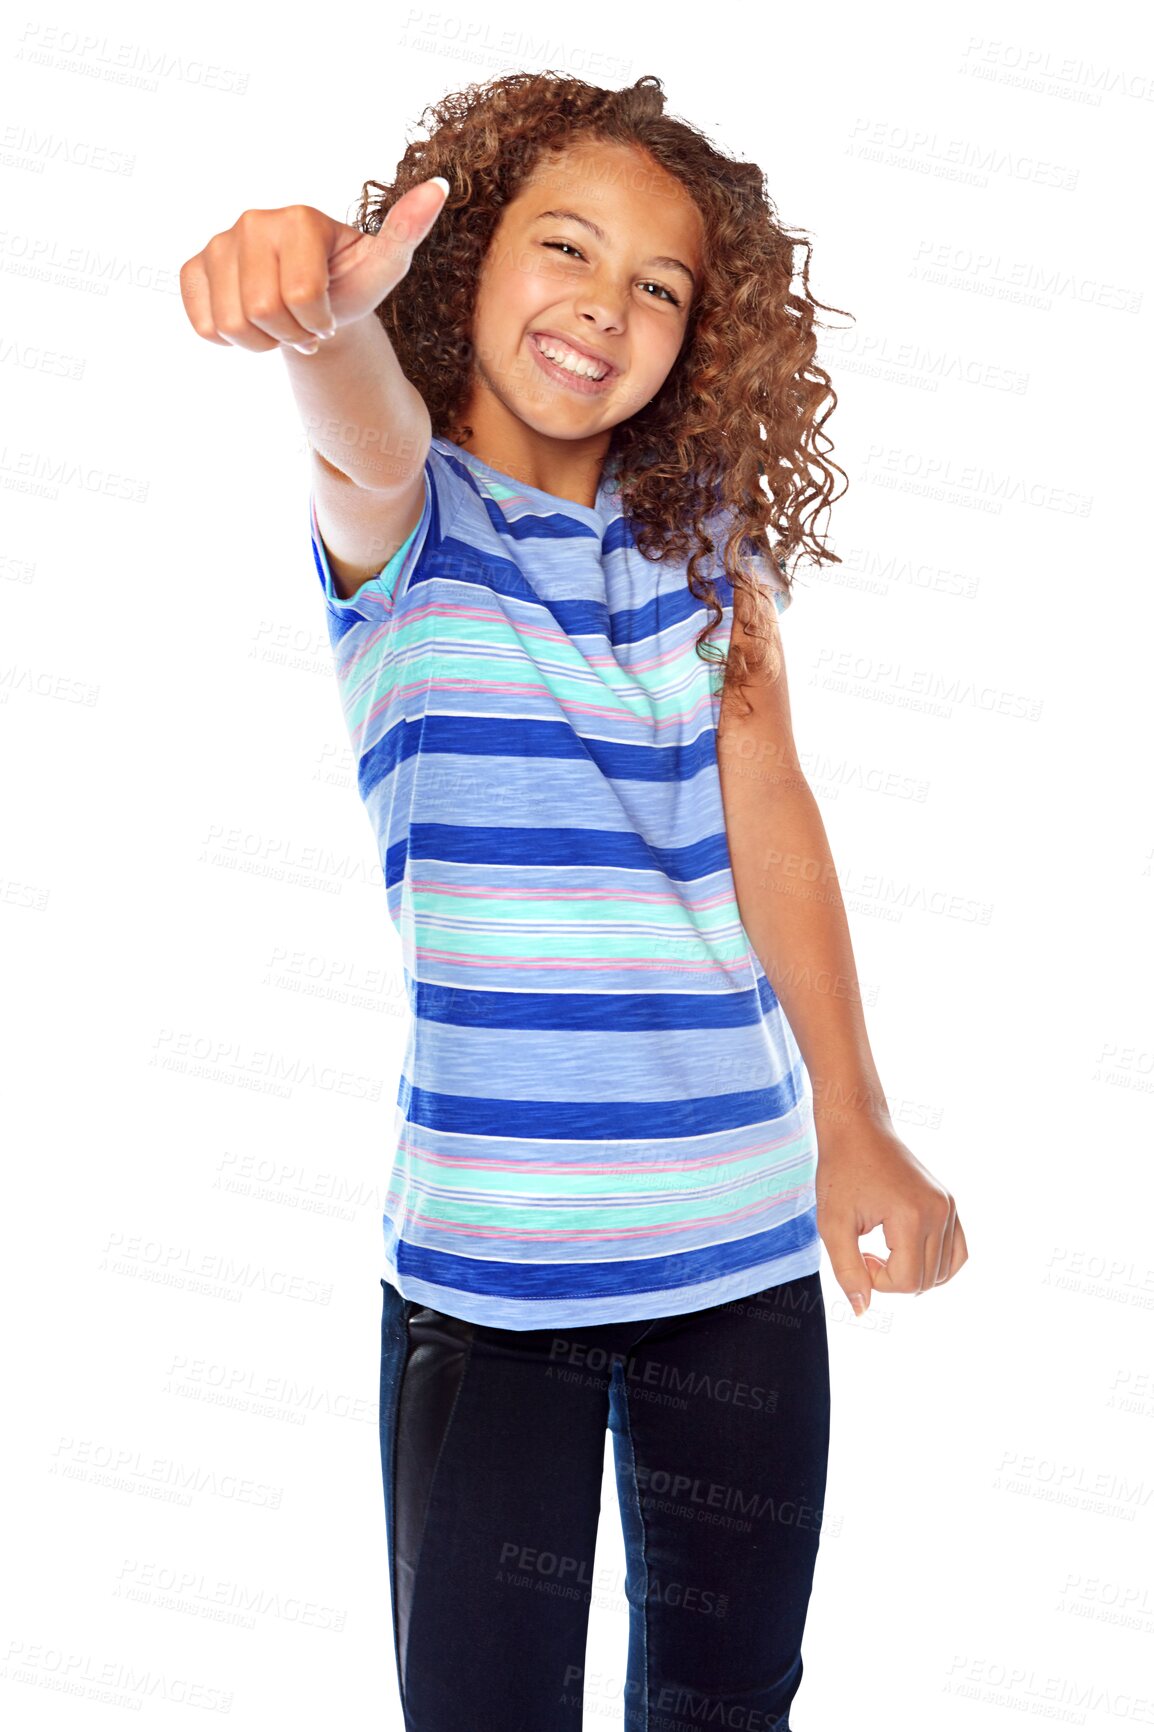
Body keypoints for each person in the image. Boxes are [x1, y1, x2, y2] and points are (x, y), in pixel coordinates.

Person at [180, 69, 967, 1732]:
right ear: (462, 262)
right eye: (566, 247)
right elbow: (356, 412)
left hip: (735, 1255)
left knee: (725, 1698)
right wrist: (321, 316)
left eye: (660, 287)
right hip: (490, 1280)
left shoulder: (702, 547)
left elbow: (773, 816)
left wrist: (856, 1116)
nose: (606, 307)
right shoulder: (405, 524)